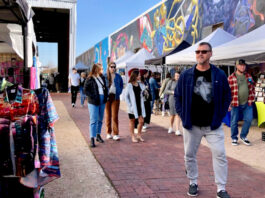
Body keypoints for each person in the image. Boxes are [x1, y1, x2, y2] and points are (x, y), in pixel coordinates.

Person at [175, 42, 231, 198]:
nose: (200, 54)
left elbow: (227, 95)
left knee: (220, 153)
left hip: (213, 124)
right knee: (189, 154)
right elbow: (177, 96)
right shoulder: (186, 75)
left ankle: (221, 188)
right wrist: (182, 114)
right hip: (191, 124)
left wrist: (220, 115)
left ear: (211, 54)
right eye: (198, 51)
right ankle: (193, 182)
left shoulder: (219, 74)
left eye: (204, 51)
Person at [228, 59, 255, 146]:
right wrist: (228, 104)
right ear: (236, 66)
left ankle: (243, 136)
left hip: (247, 103)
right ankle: (234, 138)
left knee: (249, 119)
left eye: (244, 65)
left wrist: (252, 96)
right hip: (235, 103)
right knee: (234, 122)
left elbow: (253, 87)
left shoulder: (248, 76)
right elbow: (226, 92)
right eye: (240, 65)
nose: (243, 67)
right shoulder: (231, 78)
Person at [84, 63, 108, 147]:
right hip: (93, 101)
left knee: (100, 119)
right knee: (93, 120)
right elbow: (85, 90)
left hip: (102, 100)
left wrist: (106, 96)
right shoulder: (90, 78)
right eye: (101, 68)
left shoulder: (102, 77)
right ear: (96, 69)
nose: (102, 70)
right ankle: (92, 138)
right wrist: (93, 96)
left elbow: (105, 88)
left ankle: (98, 135)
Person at [125, 70, 146, 143]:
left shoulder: (140, 84)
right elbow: (126, 97)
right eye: (139, 75)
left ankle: (139, 135)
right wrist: (130, 106)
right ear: (135, 76)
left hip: (139, 106)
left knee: (141, 121)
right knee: (132, 121)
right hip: (132, 107)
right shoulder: (129, 85)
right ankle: (133, 136)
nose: (140, 76)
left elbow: (144, 93)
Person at [104, 62, 123, 141]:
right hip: (107, 97)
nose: (113, 68)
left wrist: (119, 91)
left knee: (115, 116)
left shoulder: (118, 76)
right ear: (108, 67)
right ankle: (108, 133)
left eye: (114, 67)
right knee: (108, 116)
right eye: (111, 67)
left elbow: (121, 85)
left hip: (115, 97)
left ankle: (116, 134)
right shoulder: (105, 76)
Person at [165, 71, 181, 136]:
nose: (177, 77)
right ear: (174, 76)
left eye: (179, 76)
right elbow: (166, 90)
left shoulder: (182, 82)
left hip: (179, 100)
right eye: (176, 76)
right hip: (172, 99)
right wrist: (173, 92)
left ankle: (177, 129)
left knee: (178, 114)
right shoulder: (171, 82)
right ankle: (171, 126)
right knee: (172, 115)